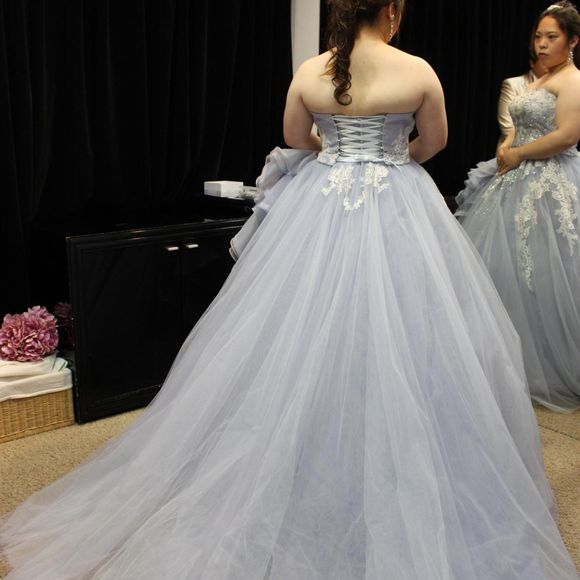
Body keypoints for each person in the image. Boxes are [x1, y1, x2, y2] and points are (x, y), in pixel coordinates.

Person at [1, 1, 578, 578]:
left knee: (295, 329)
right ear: (392, 12)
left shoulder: (310, 71)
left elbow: (295, 139)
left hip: (318, 205)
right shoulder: (417, 71)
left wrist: (338, 153)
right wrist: (390, 157)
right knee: (405, 329)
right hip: (397, 201)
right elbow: (435, 142)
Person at [456, 0, 580, 414]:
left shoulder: (572, 80)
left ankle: (542, 363)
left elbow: (567, 136)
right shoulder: (543, 78)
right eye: (538, 36)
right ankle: (498, 359)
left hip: (548, 181)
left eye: (552, 37)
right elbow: (520, 124)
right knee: (502, 266)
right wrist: (508, 146)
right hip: (515, 177)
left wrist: (520, 153)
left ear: (572, 41)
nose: (542, 44)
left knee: (543, 270)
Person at [497, 55, 547, 146]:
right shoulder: (513, 84)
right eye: (544, 61)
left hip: (553, 148)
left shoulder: (562, 85)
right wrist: (533, 149)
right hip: (514, 148)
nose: (549, 65)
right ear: (532, 63)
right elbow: (507, 126)